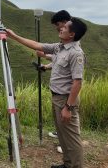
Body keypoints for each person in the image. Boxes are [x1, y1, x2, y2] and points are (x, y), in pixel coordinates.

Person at [6, 17, 87, 168]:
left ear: (72, 34)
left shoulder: (76, 53)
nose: (61, 28)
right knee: (62, 135)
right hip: (57, 98)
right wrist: (14, 36)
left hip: (66, 100)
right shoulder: (59, 47)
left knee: (72, 139)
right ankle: (67, 164)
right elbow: (37, 45)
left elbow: (78, 82)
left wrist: (68, 107)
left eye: (65, 27)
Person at [37, 10, 72, 153]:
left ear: (65, 22)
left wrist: (45, 56)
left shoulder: (72, 45)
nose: (57, 28)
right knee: (61, 122)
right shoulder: (62, 45)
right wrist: (45, 64)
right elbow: (58, 60)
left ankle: (68, 148)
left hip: (65, 92)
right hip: (57, 92)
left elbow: (77, 79)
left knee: (67, 122)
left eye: (58, 25)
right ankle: (64, 143)